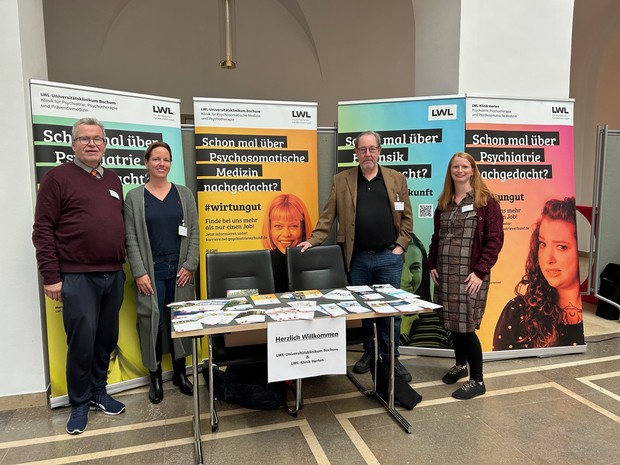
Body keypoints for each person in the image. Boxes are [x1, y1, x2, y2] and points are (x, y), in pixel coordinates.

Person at [32, 117, 126, 434]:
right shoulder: (56, 179)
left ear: (104, 144)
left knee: (106, 339)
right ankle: (80, 403)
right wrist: (51, 276)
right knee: (82, 343)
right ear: (73, 144)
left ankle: (100, 393)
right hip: (76, 277)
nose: (91, 144)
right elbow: (42, 230)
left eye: (97, 139)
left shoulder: (113, 179)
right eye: (84, 139)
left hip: (113, 275)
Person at [298, 131, 414, 382]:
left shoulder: (396, 179)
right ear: (356, 153)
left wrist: (401, 247)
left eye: (372, 149)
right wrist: (313, 239)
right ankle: (370, 353)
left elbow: (406, 218)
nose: (368, 154)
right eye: (363, 149)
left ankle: (391, 357)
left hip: (388, 257)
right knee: (363, 311)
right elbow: (328, 216)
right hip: (358, 259)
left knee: (390, 311)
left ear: (380, 151)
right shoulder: (342, 180)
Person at [124, 141, 199, 404]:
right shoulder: (134, 196)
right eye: (156, 159)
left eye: (166, 159)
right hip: (151, 271)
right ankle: (154, 376)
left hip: (179, 271)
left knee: (180, 321)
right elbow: (131, 238)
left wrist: (190, 264)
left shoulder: (184, 194)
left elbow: (195, 233)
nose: (161, 164)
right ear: (146, 163)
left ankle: (180, 372)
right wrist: (139, 272)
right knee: (152, 323)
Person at [428, 152, 504, 400]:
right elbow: (436, 238)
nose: (459, 171)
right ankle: (460, 365)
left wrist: (480, 272)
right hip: (446, 273)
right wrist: (432, 264)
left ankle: (477, 379)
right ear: (450, 172)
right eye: (455, 167)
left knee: (466, 326)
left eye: (464, 166)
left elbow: (494, 240)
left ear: (472, 170)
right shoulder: (445, 202)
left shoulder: (486, 201)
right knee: (452, 323)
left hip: (470, 275)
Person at [493, 197, 583, 350]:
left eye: (561, 247)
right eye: (543, 244)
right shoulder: (519, 312)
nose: (548, 259)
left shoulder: (587, 313)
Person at [399, 234, 453, 349]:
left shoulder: (439, 319)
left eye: (415, 267)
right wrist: (404, 328)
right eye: (400, 266)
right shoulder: (377, 318)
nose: (408, 278)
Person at [262, 193, 312, 292]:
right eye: (278, 226)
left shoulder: (316, 260)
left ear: (303, 229)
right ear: (269, 228)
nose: (286, 234)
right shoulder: (261, 263)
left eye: (294, 226)